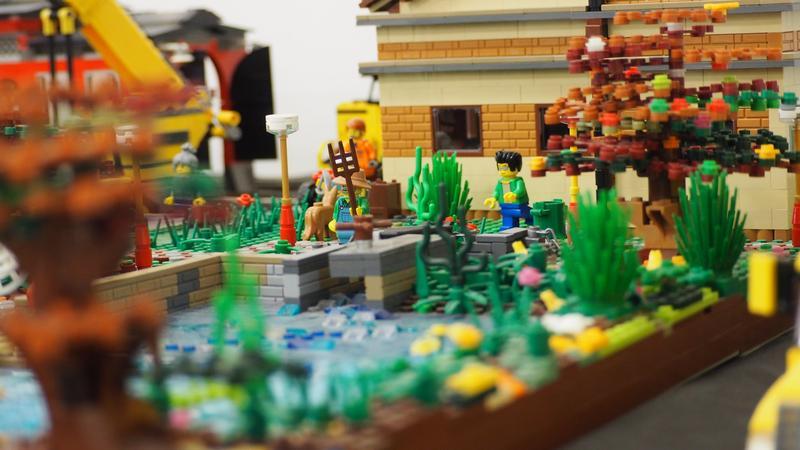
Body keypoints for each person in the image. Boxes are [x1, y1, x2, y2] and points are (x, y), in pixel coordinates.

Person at [484, 151, 532, 231]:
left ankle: (531, 223)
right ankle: (509, 230)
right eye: (500, 168)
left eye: (505, 168)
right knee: (508, 225)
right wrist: (493, 198)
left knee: (532, 215)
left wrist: (515, 194)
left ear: (516, 167)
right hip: (505, 207)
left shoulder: (518, 181)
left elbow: (521, 190)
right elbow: (497, 191)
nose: (502, 171)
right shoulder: (500, 182)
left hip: (520, 207)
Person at [328, 170, 371, 244]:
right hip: (341, 230)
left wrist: (361, 211)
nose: (345, 188)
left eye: (349, 186)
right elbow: (336, 213)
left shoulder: (361, 201)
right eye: (343, 186)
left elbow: (366, 210)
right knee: (342, 240)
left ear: (359, 188)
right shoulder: (340, 201)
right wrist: (334, 221)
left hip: (357, 232)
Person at [163, 143, 209, 207]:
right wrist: (171, 198)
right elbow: (173, 191)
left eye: (183, 166)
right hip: (179, 206)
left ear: (192, 167)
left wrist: (200, 198)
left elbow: (201, 191)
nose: (179, 169)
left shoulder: (196, 179)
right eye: (177, 166)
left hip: (193, 206)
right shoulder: (176, 180)